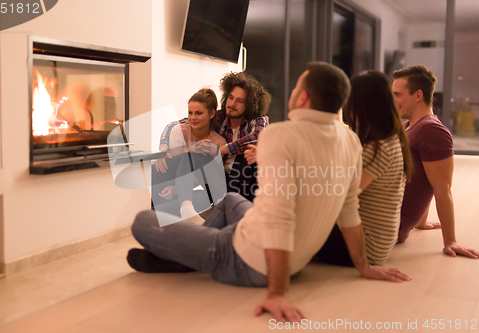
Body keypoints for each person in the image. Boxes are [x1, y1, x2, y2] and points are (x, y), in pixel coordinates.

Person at [129, 62, 411, 323]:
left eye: (298, 86)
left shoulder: (280, 135)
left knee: (143, 222)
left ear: (302, 98)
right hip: (292, 258)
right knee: (229, 199)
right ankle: (192, 252)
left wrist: (277, 293)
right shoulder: (350, 139)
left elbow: (279, 216)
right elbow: (349, 208)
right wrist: (364, 265)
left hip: (247, 258)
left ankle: (195, 254)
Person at [314, 70, 412, 266]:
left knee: (295, 225)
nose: (347, 106)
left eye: (351, 100)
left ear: (366, 105)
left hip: (366, 244)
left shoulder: (377, 148)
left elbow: (344, 195)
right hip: (380, 241)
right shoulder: (392, 139)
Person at [392, 65, 479, 259]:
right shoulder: (408, 126)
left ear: (418, 95)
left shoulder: (431, 131)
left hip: (389, 227)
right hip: (386, 216)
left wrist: (450, 241)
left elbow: (442, 188)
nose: (393, 100)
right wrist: (421, 220)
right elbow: (422, 177)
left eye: (397, 94)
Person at [155, 71, 271, 202]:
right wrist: (163, 149)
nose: (232, 104)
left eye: (239, 101)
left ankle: (242, 204)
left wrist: (220, 150)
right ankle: (185, 204)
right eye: (231, 97)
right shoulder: (219, 117)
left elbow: (258, 136)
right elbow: (175, 125)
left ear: (249, 105)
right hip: (219, 177)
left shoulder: (257, 120)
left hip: (244, 180)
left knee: (249, 154)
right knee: (200, 150)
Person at [151, 88, 227, 225]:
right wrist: (188, 150)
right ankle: (184, 209)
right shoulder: (178, 130)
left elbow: (204, 177)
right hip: (169, 180)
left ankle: (185, 208)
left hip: (189, 187)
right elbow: (176, 168)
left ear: (211, 113)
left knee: (197, 158)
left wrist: (175, 189)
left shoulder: (219, 142)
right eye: (190, 113)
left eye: (198, 113)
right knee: (187, 157)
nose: (193, 118)